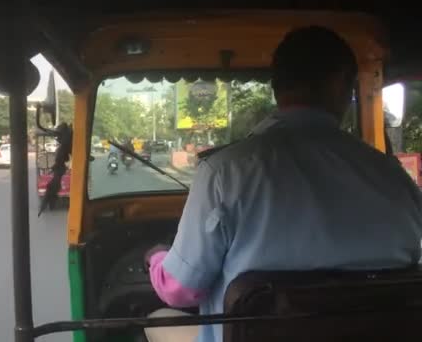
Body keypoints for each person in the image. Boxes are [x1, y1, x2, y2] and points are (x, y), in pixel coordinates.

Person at [144, 26, 422, 342]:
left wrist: (156, 257)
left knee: (158, 320)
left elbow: (180, 291)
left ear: (276, 87)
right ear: (344, 87)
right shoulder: (393, 176)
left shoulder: (224, 172)